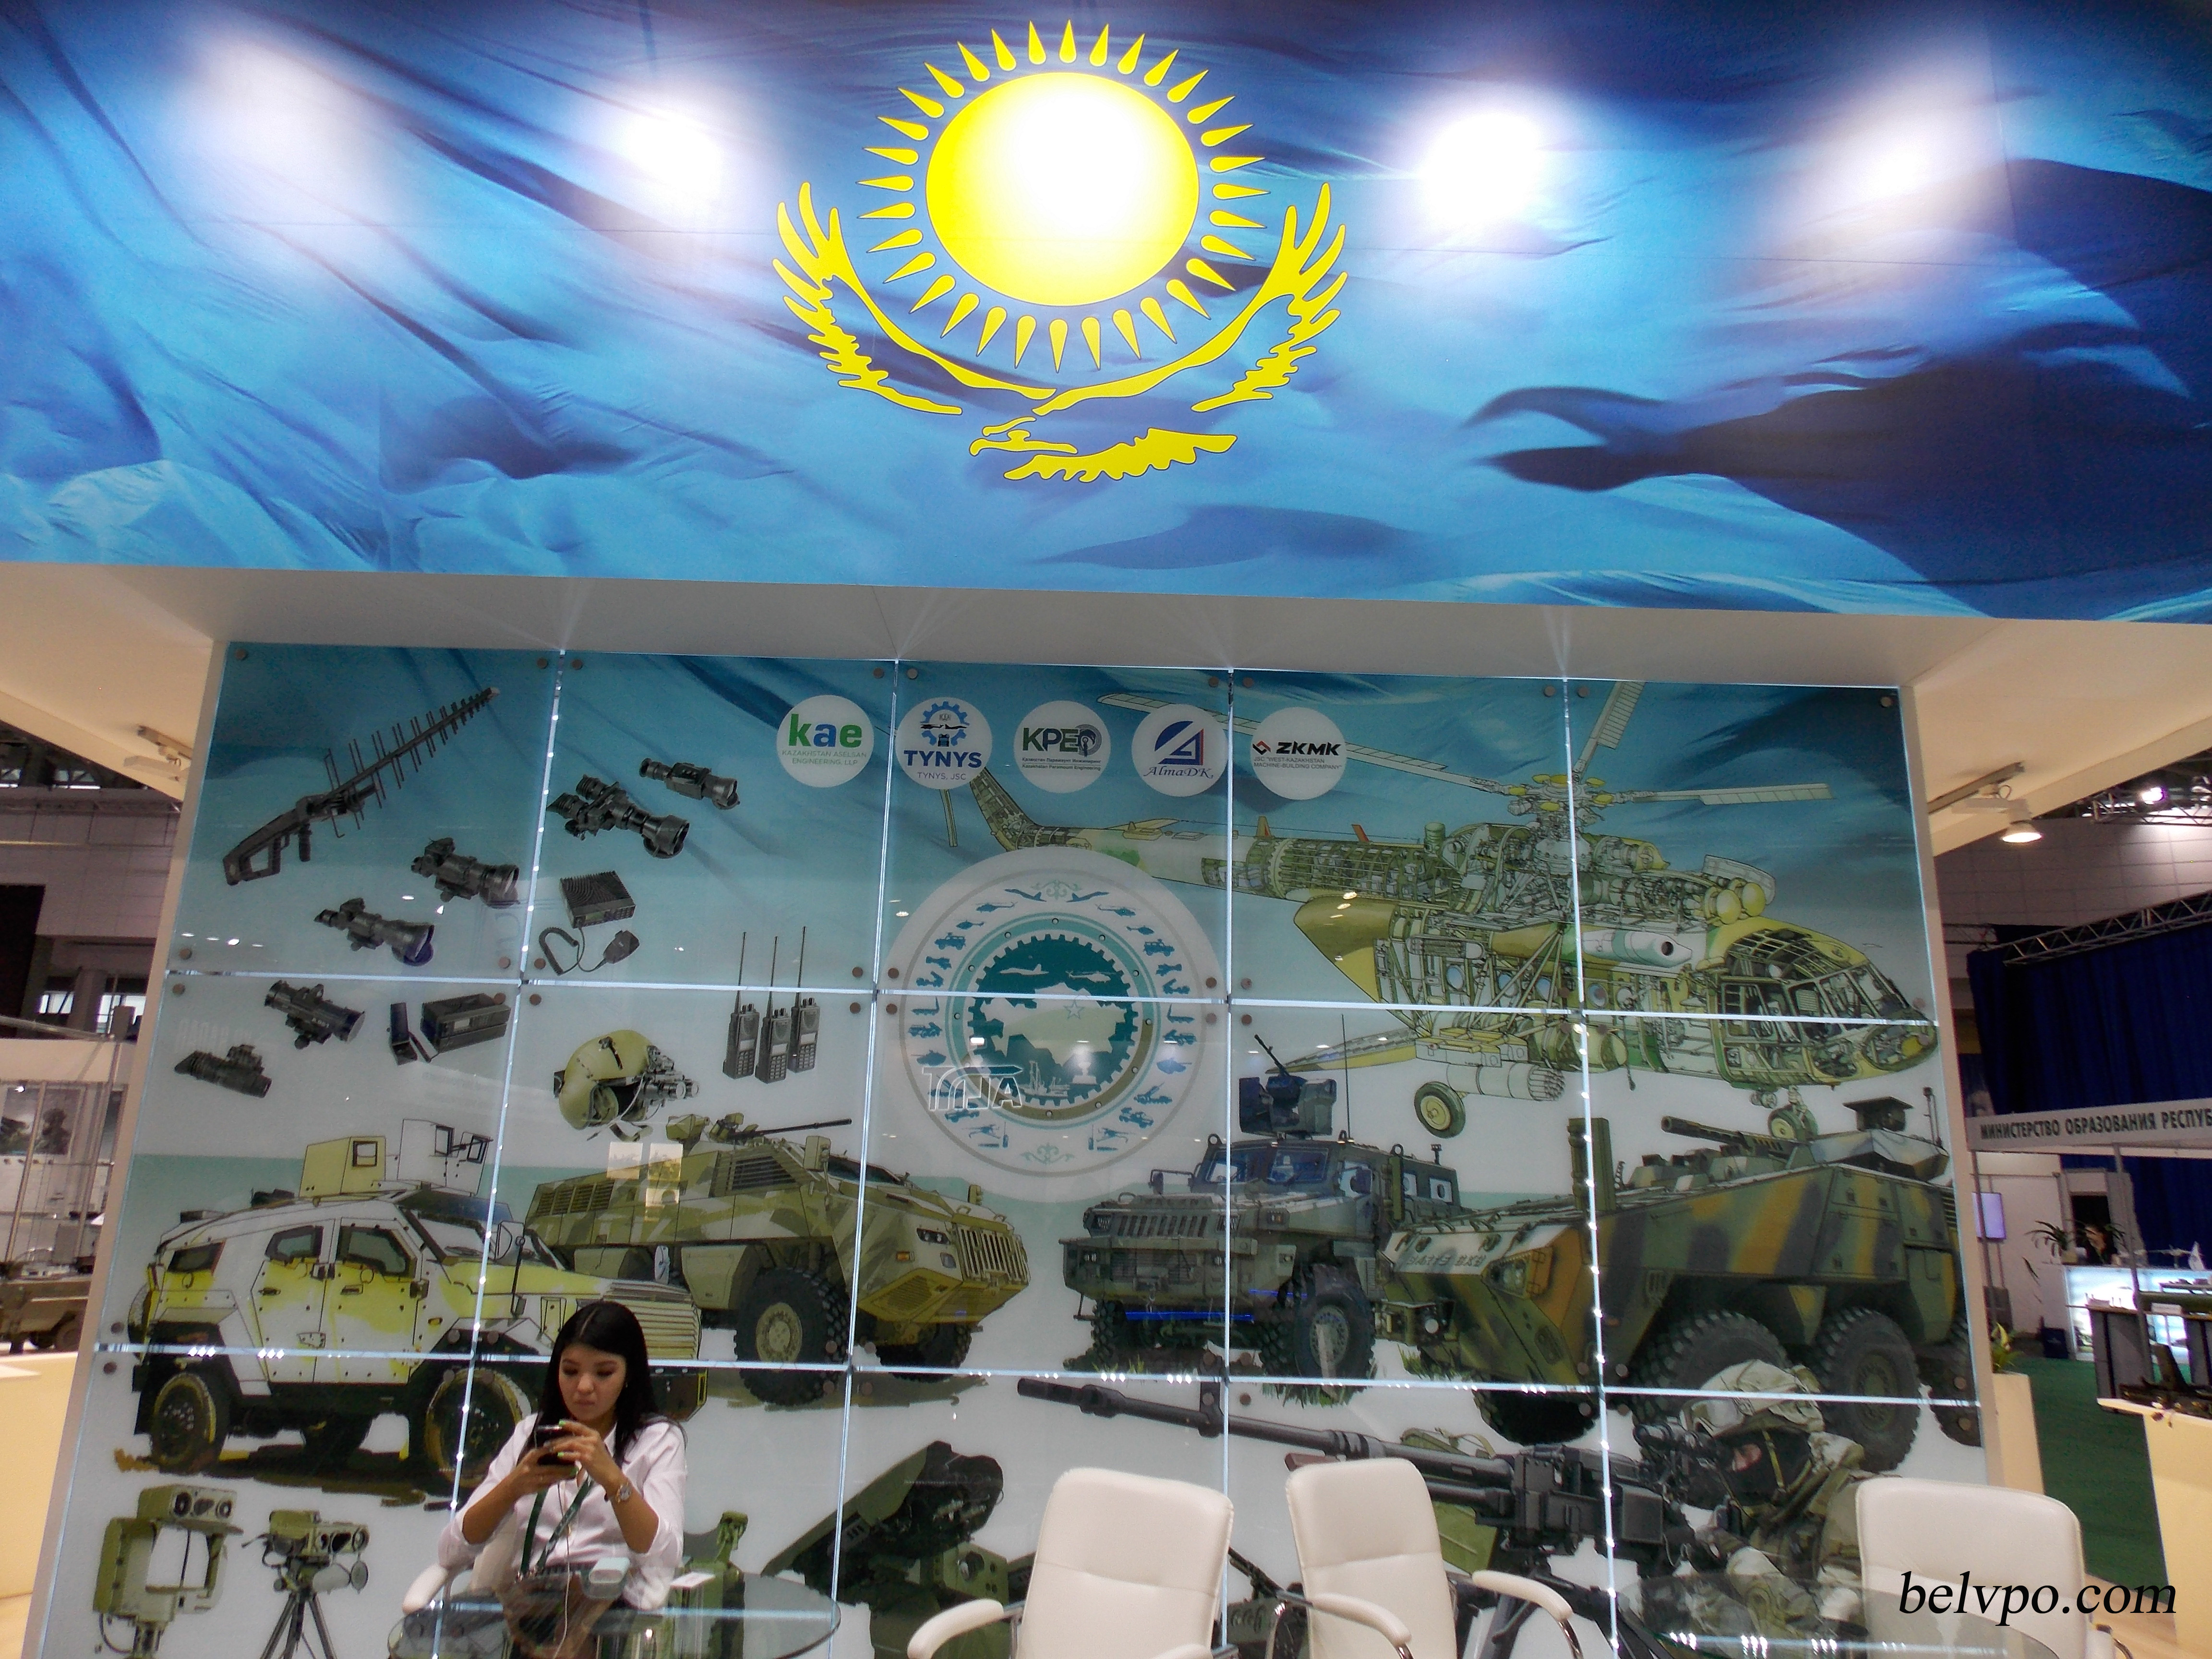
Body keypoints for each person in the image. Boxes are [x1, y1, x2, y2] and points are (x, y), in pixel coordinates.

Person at [438, 1301, 687, 1612]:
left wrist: (615, 1482)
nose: (583, 1387)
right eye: (570, 1371)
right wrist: (512, 1488)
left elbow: (665, 1558)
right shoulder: (530, 1434)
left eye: (604, 1373)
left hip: (614, 1605)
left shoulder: (657, 1441)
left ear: (629, 1375)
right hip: (532, 1605)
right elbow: (450, 1551)